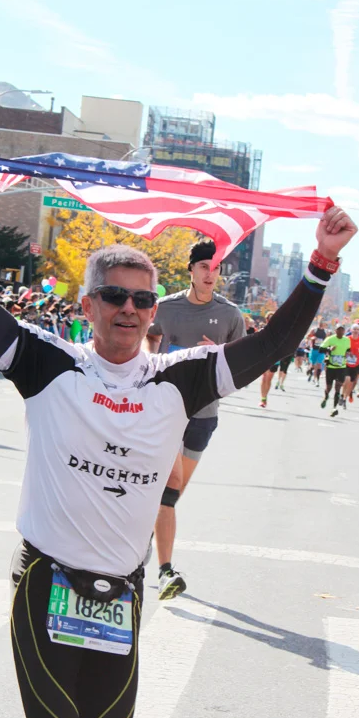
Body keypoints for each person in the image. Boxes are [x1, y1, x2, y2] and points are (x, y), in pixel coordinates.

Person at [0, 151, 355, 718]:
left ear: (154, 310)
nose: (129, 309)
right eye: (115, 296)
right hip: (45, 581)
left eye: (143, 298)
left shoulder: (180, 379)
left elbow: (272, 345)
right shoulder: (48, 361)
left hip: (120, 592)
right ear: (89, 304)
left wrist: (321, 264)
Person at [141, 239, 246, 600]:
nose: (210, 274)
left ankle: (142, 544)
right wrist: (159, 359)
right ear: (191, 269)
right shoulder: (165, 308)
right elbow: (145, 344)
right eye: (204, 267)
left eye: (216, 268)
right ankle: (164, 571)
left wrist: (217, 355)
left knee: (171, 496)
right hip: (165, 412)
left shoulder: (230, 315)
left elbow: (239, 369)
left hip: (204, 414)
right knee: (167, 493)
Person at [318, 325, 351, 415]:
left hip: (341, 367)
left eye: (342, 330)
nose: (340, 332)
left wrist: (348, 353)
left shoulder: (347, 340)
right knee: (329, 387)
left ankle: (334, 408)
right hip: (331, 367)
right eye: (338, 330)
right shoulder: (330, 339)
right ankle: (325, 397)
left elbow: (348, 349)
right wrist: (329, 348)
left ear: (344, 331)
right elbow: (320, 349)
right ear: (335, 330)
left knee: (338, 388)